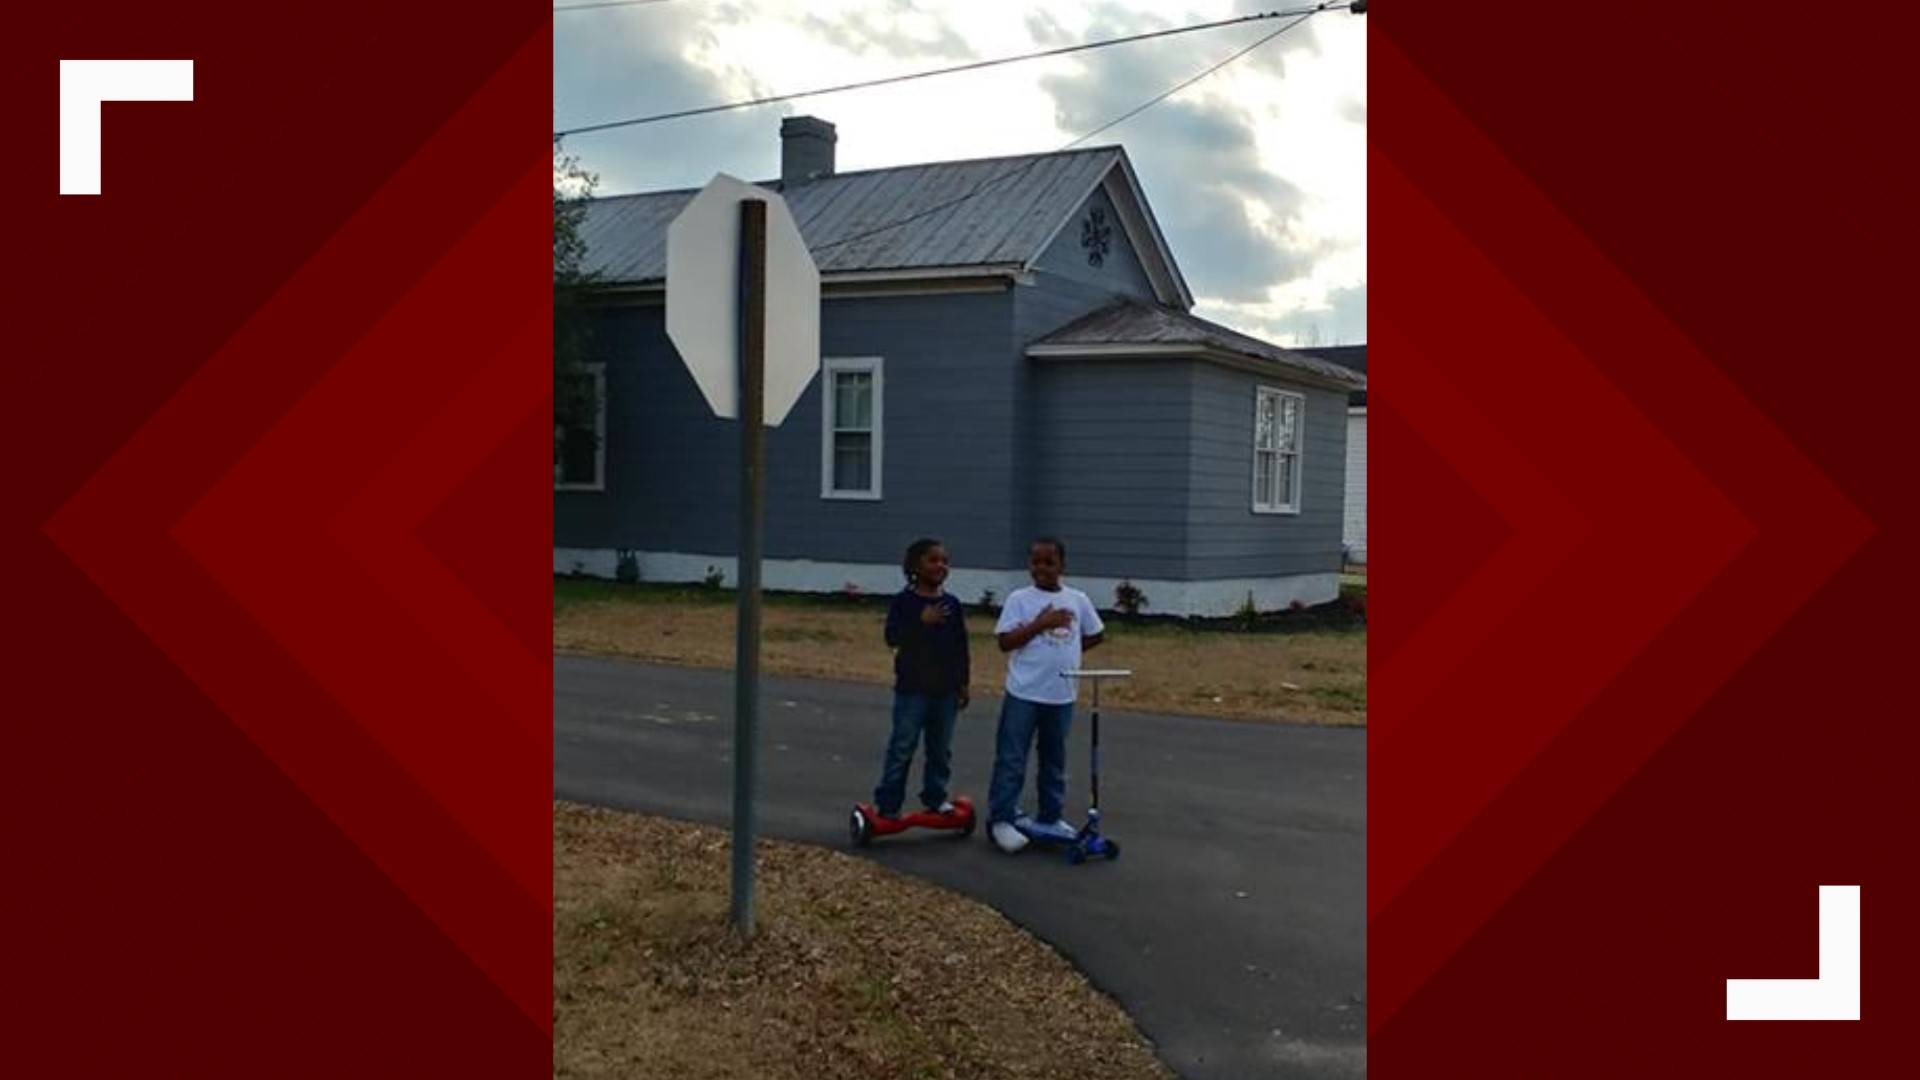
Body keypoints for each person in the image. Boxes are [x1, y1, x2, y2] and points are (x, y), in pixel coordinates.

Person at [987, 536, 1105, 853]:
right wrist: (1042, 624)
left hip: (1062, 695)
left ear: (1062, 566)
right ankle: (1002, 818)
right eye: (1035, 562)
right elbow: (1005, 642)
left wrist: (1071, 651)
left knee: (1054, 759)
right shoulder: (1020, 599)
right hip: (1024, 692)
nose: (1041, 568)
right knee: (1012, 758)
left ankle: (1051, 816)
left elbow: (1096, 634)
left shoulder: (1077, 599)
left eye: (1048, 562)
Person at [871, 538, 971, 819]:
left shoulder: (952, 604)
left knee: (940, 750)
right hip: (912, 689)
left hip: (946, 691)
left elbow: (960, 646)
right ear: (915, 566)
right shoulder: (905, 602)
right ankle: (888, 805)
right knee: (902, 747)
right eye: (933, 560)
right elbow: (892, 637)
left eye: (945, 561)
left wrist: (963, 683)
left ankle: (936, 797)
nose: (940, 565)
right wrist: (920, 622)